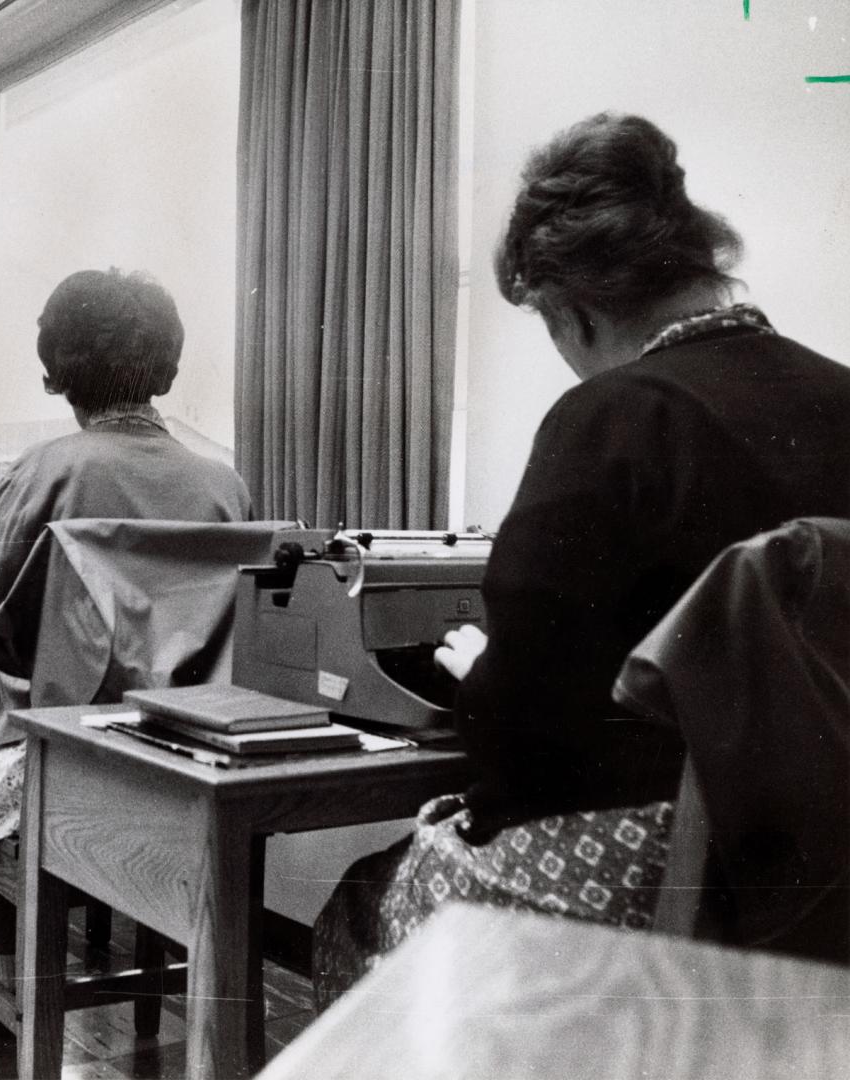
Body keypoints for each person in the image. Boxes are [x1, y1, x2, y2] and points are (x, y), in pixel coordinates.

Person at [312, 112, 850, 1004]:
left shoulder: (610, 416)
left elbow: (521, 743)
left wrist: (485, 674)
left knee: (358, 907)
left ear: (571, 306)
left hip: (687, 882)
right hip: (827, 884)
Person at [0, 268, 252, 984]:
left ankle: (4, 964)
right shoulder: (226, 482)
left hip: (66, 755)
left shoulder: (42, 470)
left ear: (55, 370)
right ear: (167, 363)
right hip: (180, 754)